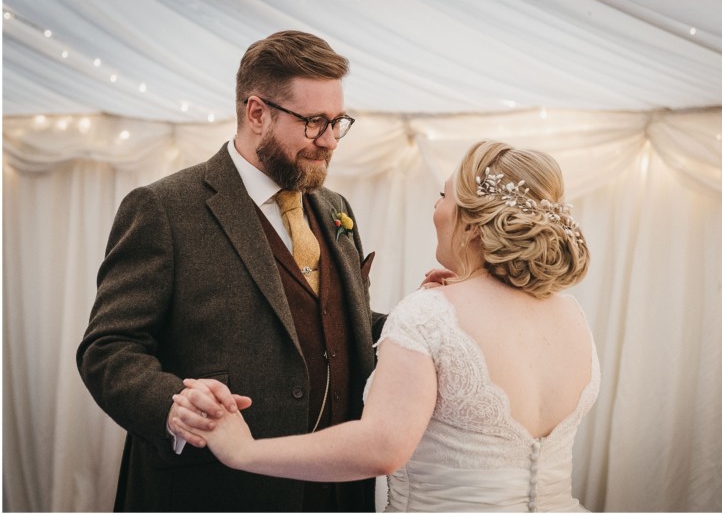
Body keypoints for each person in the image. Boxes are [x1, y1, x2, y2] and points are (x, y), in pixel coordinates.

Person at [176, 140, 601, 512]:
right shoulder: (569, 314)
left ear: (472, 223)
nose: (436, 208)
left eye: (443, 195)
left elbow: (381, 448)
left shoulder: (430, 313)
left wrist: (244, 451)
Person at [76, 30, 387, 512]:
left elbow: (338, 322)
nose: (329, 141)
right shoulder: (164, 208)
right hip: (216, 489)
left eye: (338, 122)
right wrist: (173, 404)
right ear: (257, 112)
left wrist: (428, 317)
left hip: (338, 487)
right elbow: (108, 348)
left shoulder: (335, 208)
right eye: (313, 123)